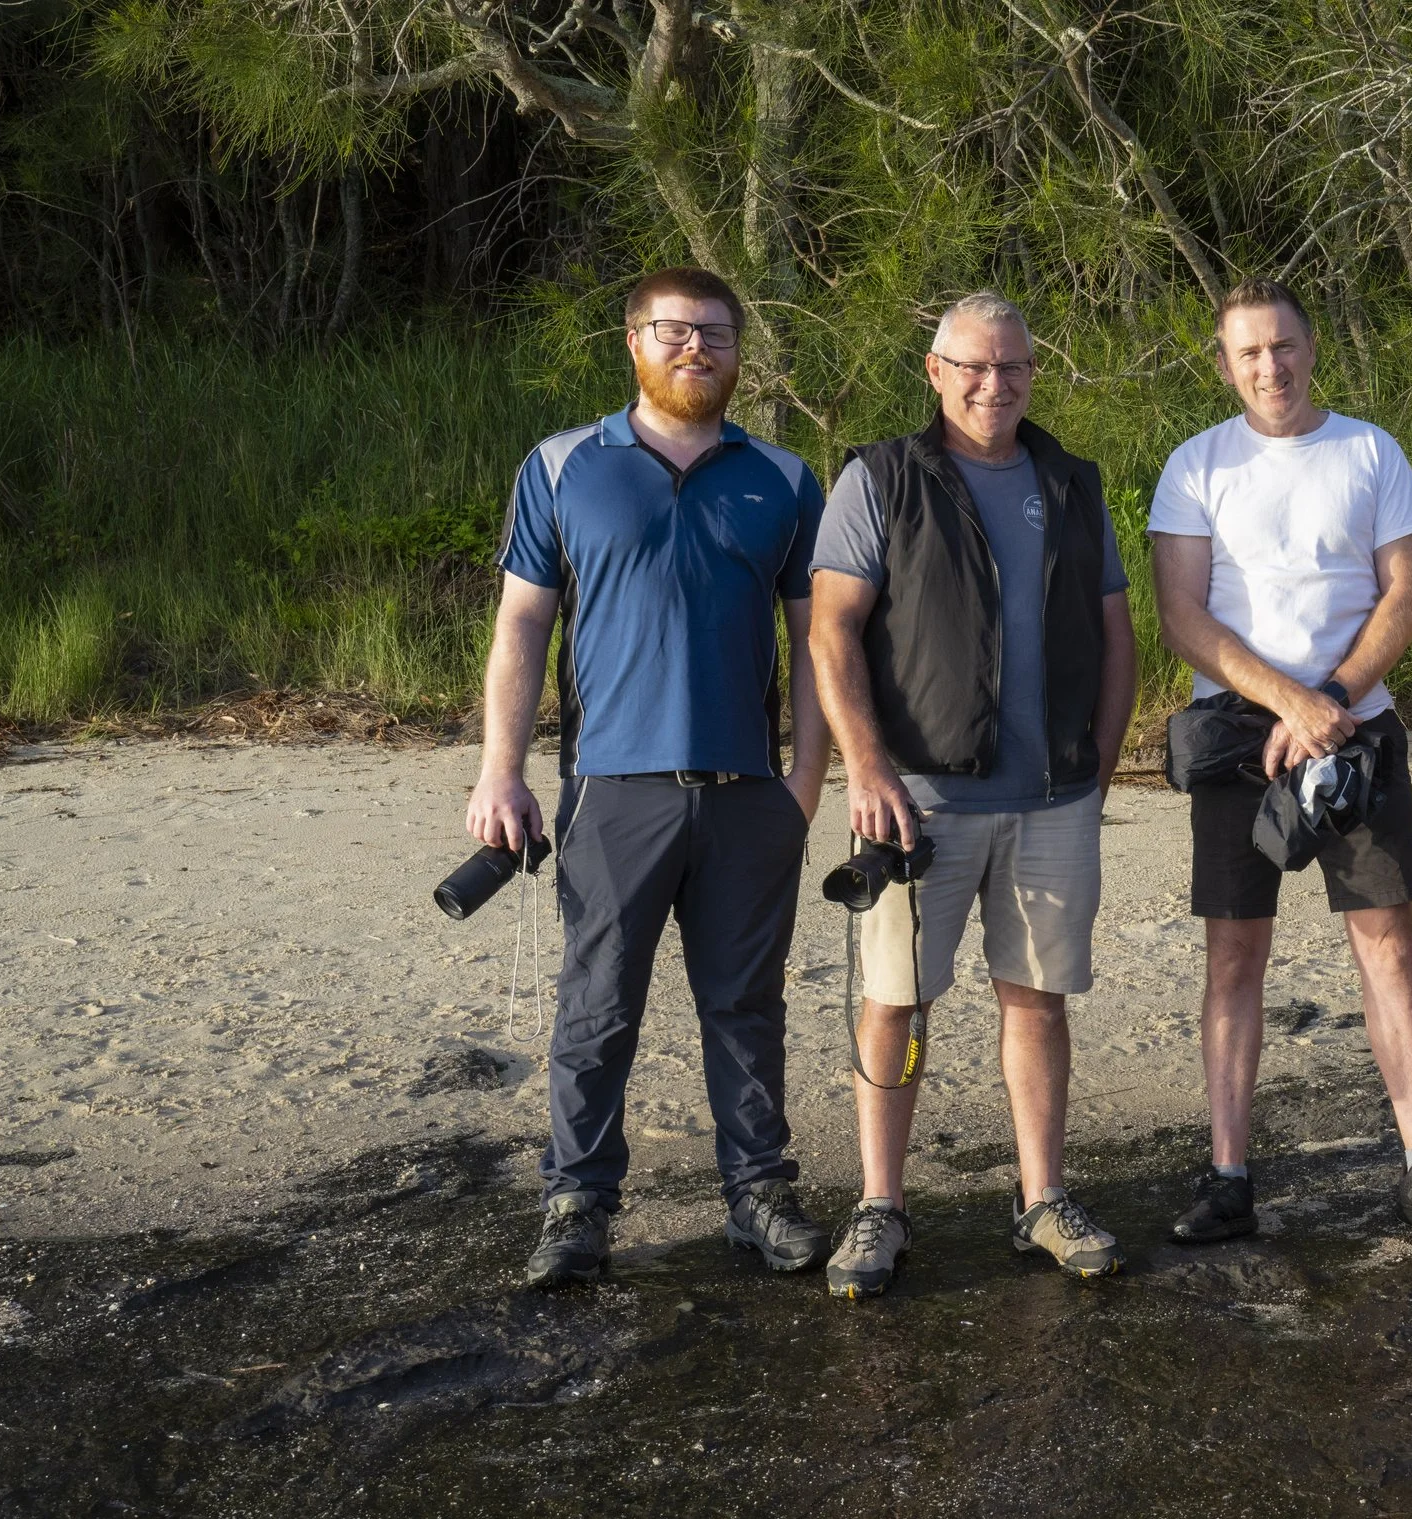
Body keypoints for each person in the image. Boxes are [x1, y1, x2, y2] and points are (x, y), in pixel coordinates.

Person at [468, 266, 834, 1290]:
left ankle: (758, 1196)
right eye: (674, 330)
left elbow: (816, 642)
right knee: (596, 1011)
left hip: (747, 792)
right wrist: (501, 771)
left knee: (746, 1006)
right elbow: (522, 624)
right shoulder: (562, 466)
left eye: (716, 332)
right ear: (632, 341)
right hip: (610, 788)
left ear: (738, 351)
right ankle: (577, 1205)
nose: (696, 348)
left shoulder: (784, 479)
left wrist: (807, 778)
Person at [808, 291, 1137, 1298]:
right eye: (975, 366)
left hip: (1052, 800)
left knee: (1036, 1000)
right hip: (919, 801)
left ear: (1034, 372)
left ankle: (1043, 1198)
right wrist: (867, 768)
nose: (996, 384)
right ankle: (880, 1204)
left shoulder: (1072, 481)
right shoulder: (880, 477)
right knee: (895, 1002)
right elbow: (830, 631)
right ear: (936, 371)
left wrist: (1095, 770)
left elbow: (1117, 635)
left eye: (1014, 366)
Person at [1147, 277, 1412, 1250]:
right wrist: (1287, 703)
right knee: (1233, 955)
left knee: (1388, 948)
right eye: (1249, 351)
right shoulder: (1196, 465)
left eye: (1283, 345)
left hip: (1355, 734)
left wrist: (1328, 701)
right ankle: (1228, 1175)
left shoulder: (1370, 451)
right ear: (1224, 363)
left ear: (1311, 346)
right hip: (1236, 740)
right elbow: (1182, 615)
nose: (1270, 366)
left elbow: (1405, 596)